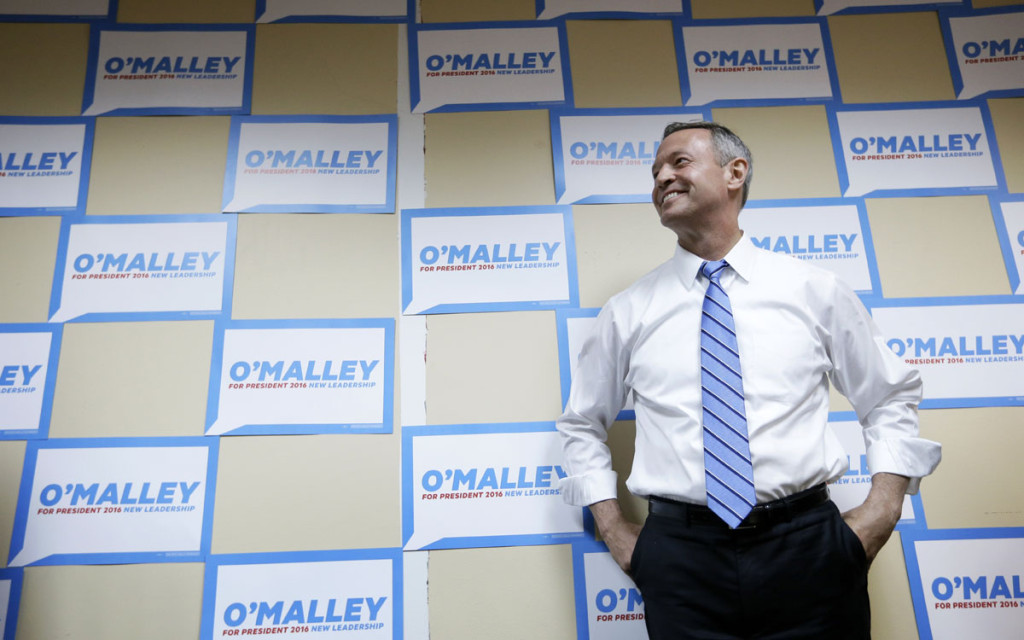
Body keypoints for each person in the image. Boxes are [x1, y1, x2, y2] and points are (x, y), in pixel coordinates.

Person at [556, 121, 941, 639]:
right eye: (655, 173)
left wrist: (883, 507)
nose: (661, 179)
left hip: (810, 552)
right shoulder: (628, 312)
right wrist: (613, 528)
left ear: (735, 173)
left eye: (678, 162)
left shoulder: (814, 290)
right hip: (680, 561)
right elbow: (581, 425)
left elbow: (890, 395)